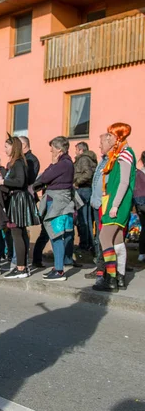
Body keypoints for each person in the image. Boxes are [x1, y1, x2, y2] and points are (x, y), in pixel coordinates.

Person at [93, 123, 136, 292]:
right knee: (117, 241)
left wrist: (115, 205)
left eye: (110, 135)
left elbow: (124, 182)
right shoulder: (120, 154)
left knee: (104, 238)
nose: (107, 138)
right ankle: (120, 278)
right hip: (115, 200)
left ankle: (110, 279)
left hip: (118, 202)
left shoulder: (125, 154)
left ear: (118, 137)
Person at [0, 136, 39, 279]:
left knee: (17, 234)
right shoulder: (17, 162)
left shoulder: (18, 162)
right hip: (17, 199)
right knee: (19, 234)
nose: (4, 149)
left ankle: (21, 268)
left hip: (19, 200)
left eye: (6, 146)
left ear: (14, 147)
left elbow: (20, 182)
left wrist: (1, 182)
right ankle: (21, 266)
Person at [34, 136, 78, 282]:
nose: (50, 149)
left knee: (57, 235)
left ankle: (59, 270)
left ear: (59, 149)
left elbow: (45, 177)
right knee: (55, 235)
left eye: (52, 147)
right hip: (58, 201)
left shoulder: (63, 164)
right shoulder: (65, 163)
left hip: (58, 204)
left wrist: (52, 164)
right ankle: (57, 266)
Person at [85, 144, 108, 279]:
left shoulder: (112, 161)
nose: (99, 146)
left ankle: (103, 268)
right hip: (97, 203)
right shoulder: (103, 160)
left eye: (102, 143)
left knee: (103, 237)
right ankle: (100, 266)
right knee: (98, 236)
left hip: (104, 204)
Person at [74, 142, 97, 252]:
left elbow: (87, 174)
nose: (75, 152)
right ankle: (89, 243)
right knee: (86, 218)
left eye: (76, 150)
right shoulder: (90, 159)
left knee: (83, 218)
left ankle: (85, 244)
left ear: (80, 150)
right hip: (86, 189)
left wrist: (77, 182)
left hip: (83, 190)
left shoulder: (83, 159)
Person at [134, 151, 145, 263]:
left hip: (139, 203)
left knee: (144, 228)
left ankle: (141, 253)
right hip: (142, 202)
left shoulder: (139, 172)